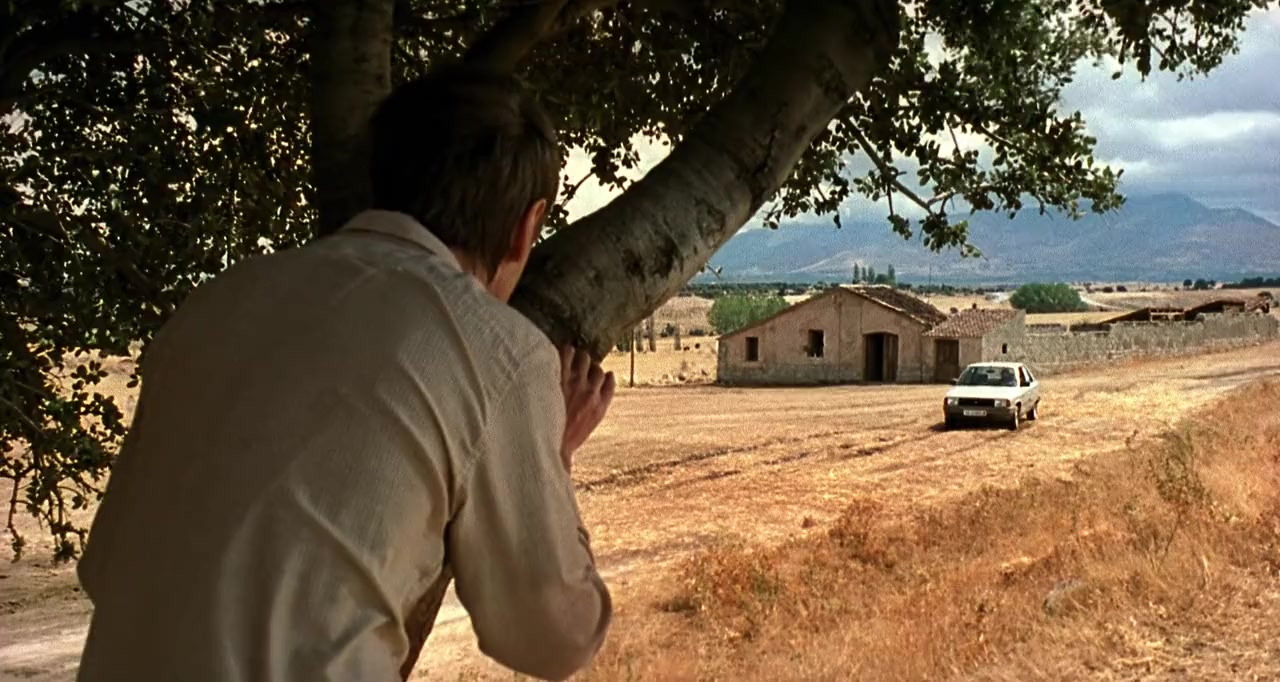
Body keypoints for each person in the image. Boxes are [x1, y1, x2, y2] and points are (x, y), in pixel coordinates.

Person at [75, 66, 614, 682]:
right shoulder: (498, 349)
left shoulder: (216, 302)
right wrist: (552, 459)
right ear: (524, 228)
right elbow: (553, 639)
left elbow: (104, 564)